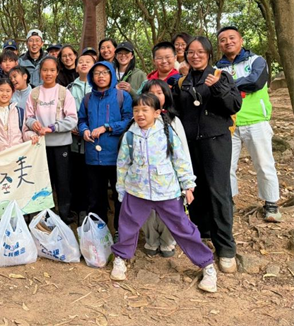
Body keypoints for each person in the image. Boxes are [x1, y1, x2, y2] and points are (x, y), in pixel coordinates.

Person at [110, 93, 217, 293]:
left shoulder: (167, 133)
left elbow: (180, 160)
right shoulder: (130, 135)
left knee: (183, 228)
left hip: (166, 190)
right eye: (136, 110)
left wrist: (188, 185)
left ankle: (207, 265)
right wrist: (121, 189)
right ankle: (121, 259)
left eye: (145, 110)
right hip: (137, 190)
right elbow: (122, 164)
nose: (140, 114)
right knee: (127, 227)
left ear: (157, 113)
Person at [173, 36, 242, 273]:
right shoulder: (182, 82)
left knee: (218, 191)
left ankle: (226, 247)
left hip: (216, 141)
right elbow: (177, 111)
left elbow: (234, 105)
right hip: (190, 144)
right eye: (191, 52)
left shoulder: (221, 76)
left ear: (209, 54)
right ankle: (202, 235)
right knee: (196, 189)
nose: (195, 56)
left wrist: (217, 87)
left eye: (200, 52)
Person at [215, 26, 281, 222]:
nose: (228, 42)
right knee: (226, 165)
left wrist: (226, 85)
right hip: (229, 122)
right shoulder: (218, 68)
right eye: (223, 40)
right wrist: (231, 85)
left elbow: (256, 82)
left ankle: (271, 204)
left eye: (231, 38)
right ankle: (229, 201)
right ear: (219, 45)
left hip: (256, 120)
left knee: (264, 163)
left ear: (241, 40)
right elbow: (215, 91)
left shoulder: (256, 61)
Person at [77, 61, 132, 236]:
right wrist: (84, 130)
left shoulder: (122, 96)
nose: (101, 76)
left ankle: (120, 232)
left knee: (119, 195)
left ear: (112, 75)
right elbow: (81, 119)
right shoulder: (88, 98)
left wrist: (107, 127)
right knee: (95, 197)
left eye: (105, 72)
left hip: (117, 155)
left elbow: (128, 121)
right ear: (91, 77)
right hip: (93, 156)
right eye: (97, 73)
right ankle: (98, 233)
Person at [141, 79, 191, 257]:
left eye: (159, 93)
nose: (155, 96)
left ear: (166, 96)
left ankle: (168, 241)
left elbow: (183, 152)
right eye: (150, 93)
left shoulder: (173, 121)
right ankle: (151, 240)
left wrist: (187, 181)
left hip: (168, 177)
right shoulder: (137, 120)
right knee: (147, 210)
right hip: (144, 176)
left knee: (169, 209)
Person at [26, 56, 78, 223]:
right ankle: (45, 215)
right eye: (45, 70)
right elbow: (28, 117)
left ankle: (64, 214)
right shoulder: (34, 93)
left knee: (63, 181)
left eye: (52, 70)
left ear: (57, 72)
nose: (48, 73)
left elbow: (72, 119)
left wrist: (53, 127)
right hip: (40, 146)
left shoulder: (64, 92)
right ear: (40, 72)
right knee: (43, 181)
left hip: (61, 145)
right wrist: (34, 124)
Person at [67, 53, 96, 223]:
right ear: (76, 67)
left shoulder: (99, 87)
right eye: (81, 62)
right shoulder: (70, 88)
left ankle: (90, 209)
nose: (84, 64)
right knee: (75, 175)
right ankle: (77, 208)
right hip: (73, 140)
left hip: (93, 139)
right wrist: (71, 126)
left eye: (88, 62)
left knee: (91, 176)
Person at [0, 78, 37, 154]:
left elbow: (24, 132)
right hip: (0, 155)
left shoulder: (19, 112)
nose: (4, 94)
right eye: (1, 90)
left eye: (8, 91)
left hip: (18, 154)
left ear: (12, 92)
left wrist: (31, 136)